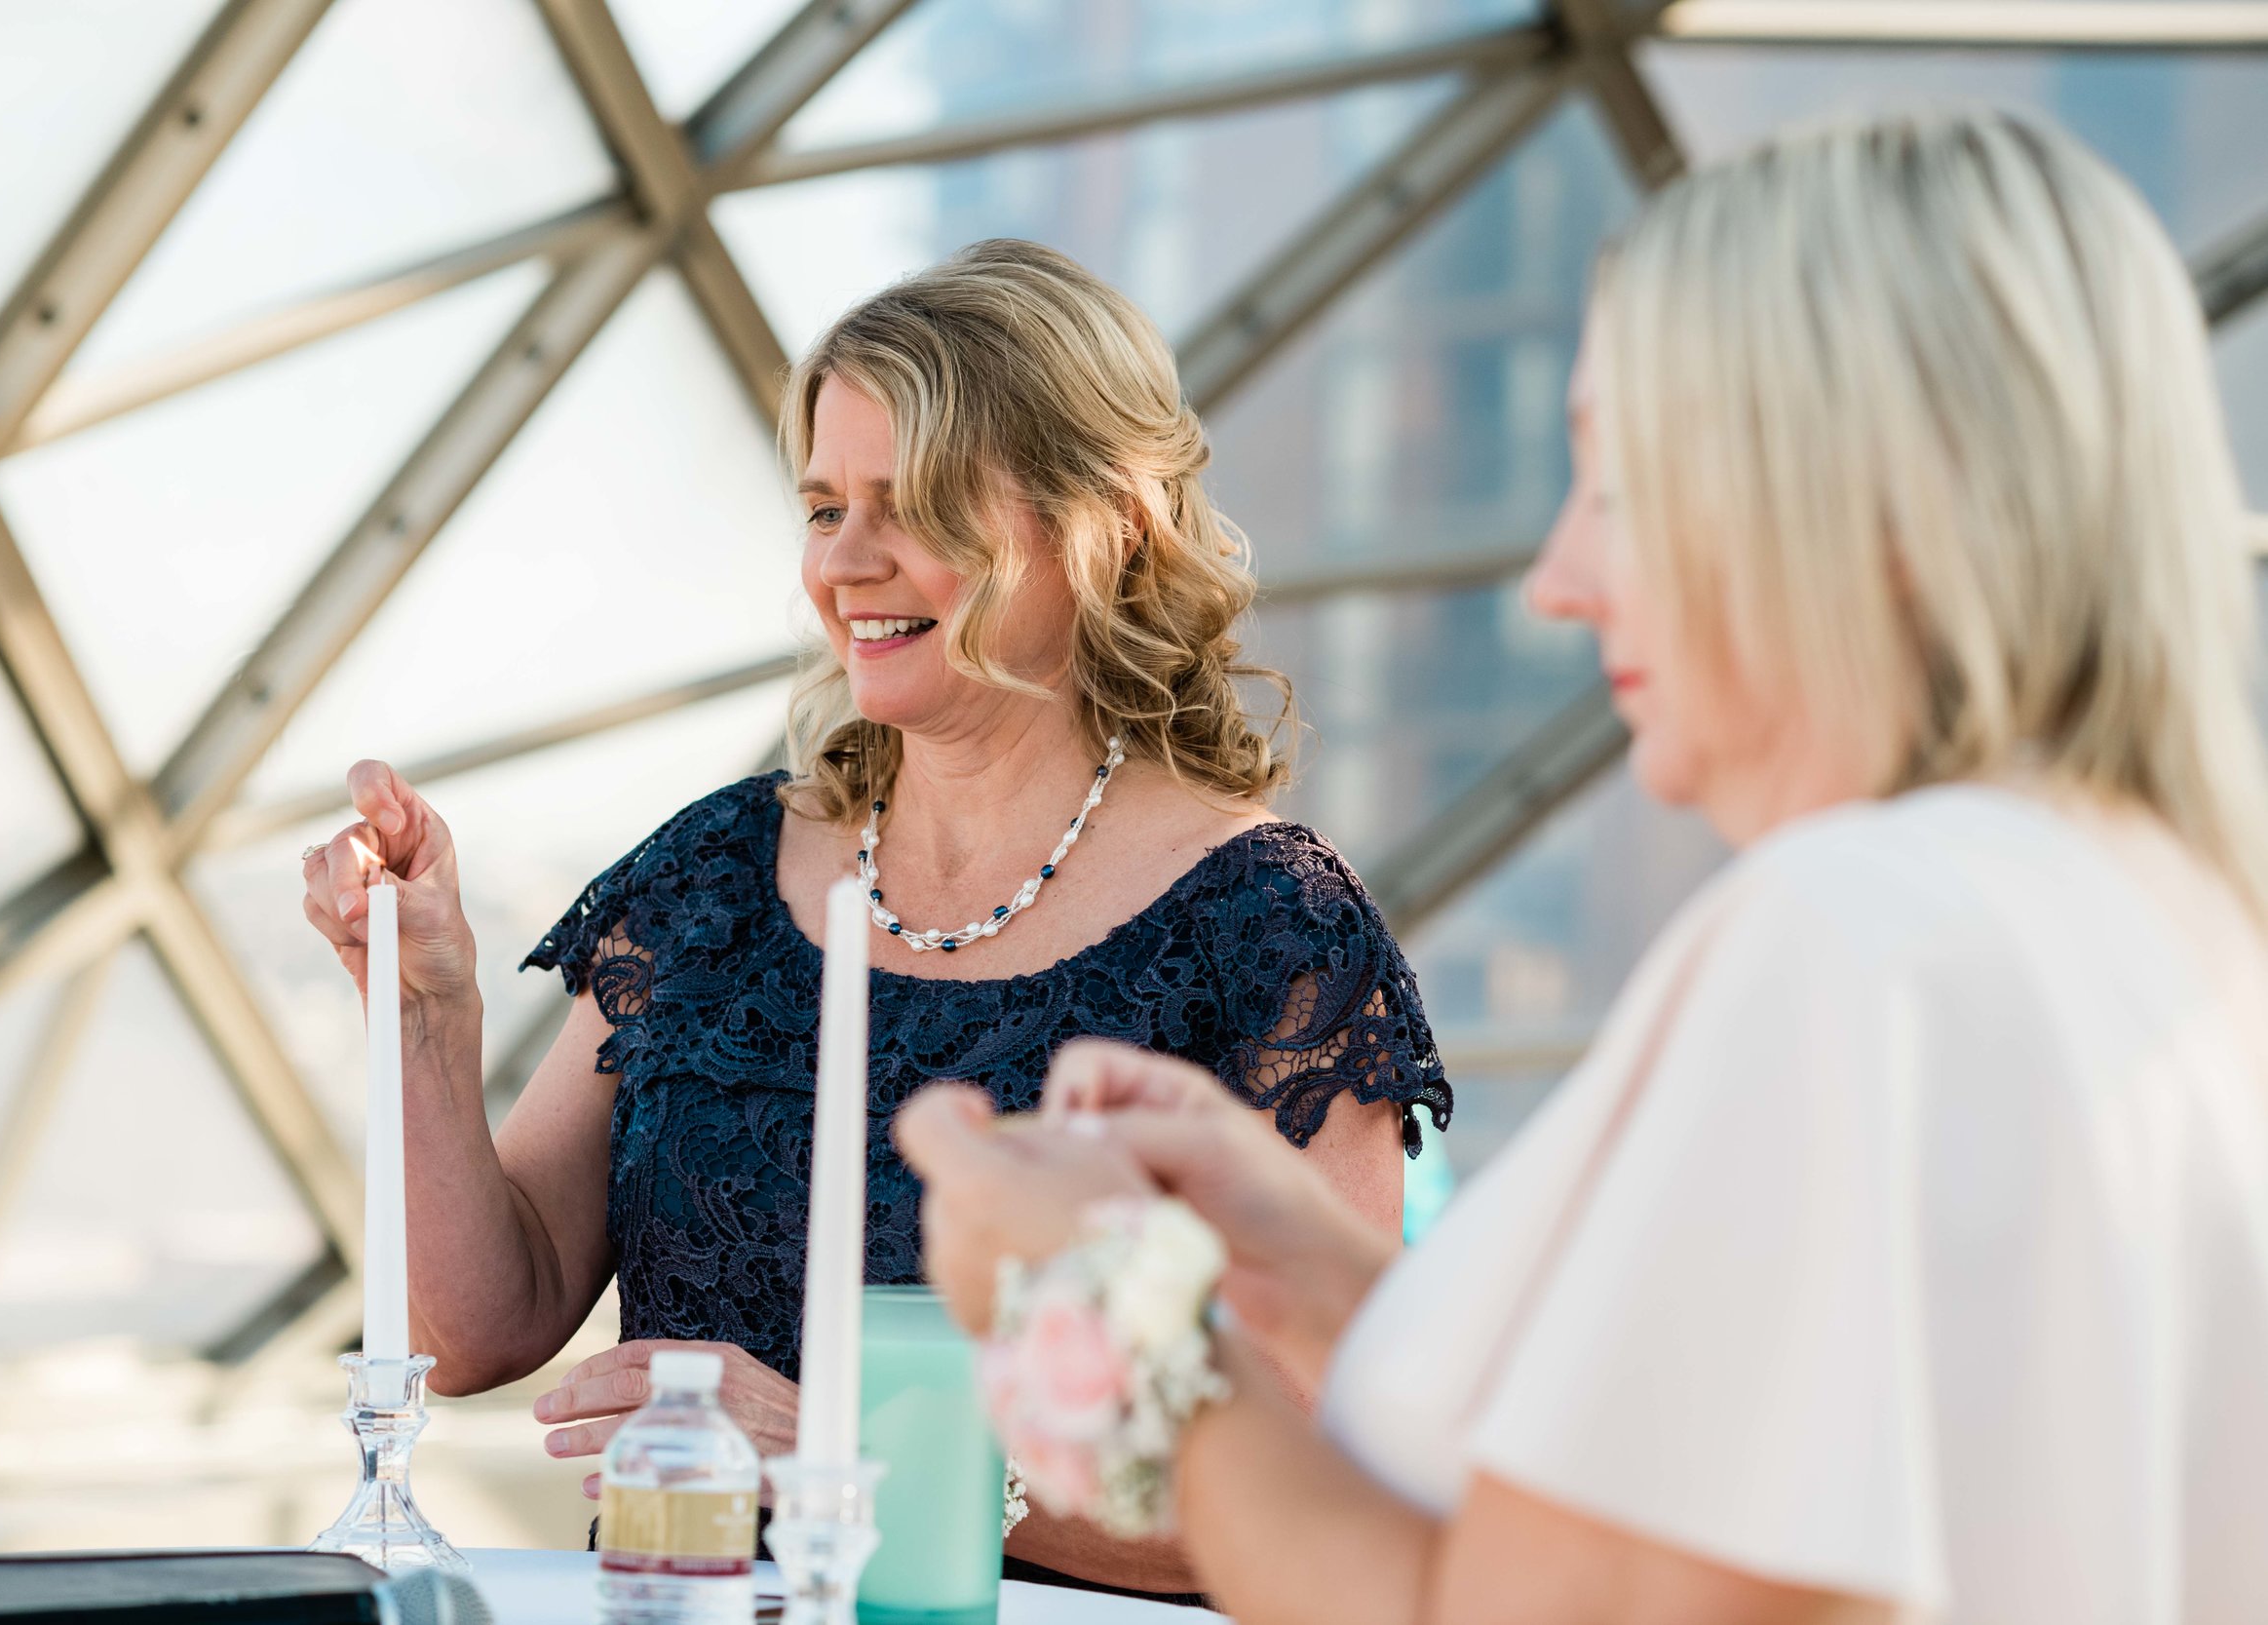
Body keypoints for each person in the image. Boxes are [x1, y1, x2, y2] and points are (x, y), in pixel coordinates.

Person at [900, 108, 2268, 1625]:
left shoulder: (1858, 939)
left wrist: (1096, 1320)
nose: (1558, 580)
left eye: (1617, 483)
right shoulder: (2161, 930)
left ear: (1879, 499)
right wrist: (1287, 1254)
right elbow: (1682, 1496)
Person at [297, 239, 1451, 1596]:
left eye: (917, 508)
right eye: (823, 507)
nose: (846, 563)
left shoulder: (1270, 930)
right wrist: (425, 1015)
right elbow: (487, 1319)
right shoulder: (715, 874)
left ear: (1106, 530)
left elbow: (1322, 1501)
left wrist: (838, 1459)